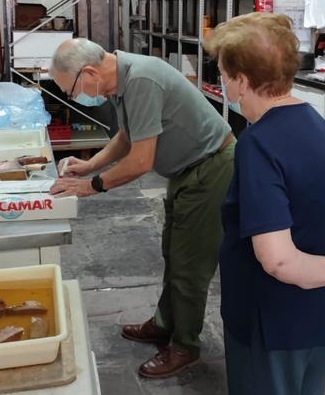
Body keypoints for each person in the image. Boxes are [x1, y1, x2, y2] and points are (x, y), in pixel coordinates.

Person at [204, 12, 325, 395]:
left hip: (276, 324)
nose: (223, 82)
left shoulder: (259, 144)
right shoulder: (315, 123)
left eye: (224, 74)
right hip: (320, 319)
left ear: (242, 81)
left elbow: (277, 258)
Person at [47, 38, 235, 378]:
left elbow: (140, 161)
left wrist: (92, 186)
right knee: (173, 253)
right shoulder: (120, 81)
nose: (75, 99)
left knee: (190, 263)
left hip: (209, 168)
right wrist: (89, 166)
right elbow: (127, 135)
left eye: (72, 91)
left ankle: (184, 345)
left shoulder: (141, 79)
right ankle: (165, 323)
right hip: (186, 168)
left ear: (89, 72)